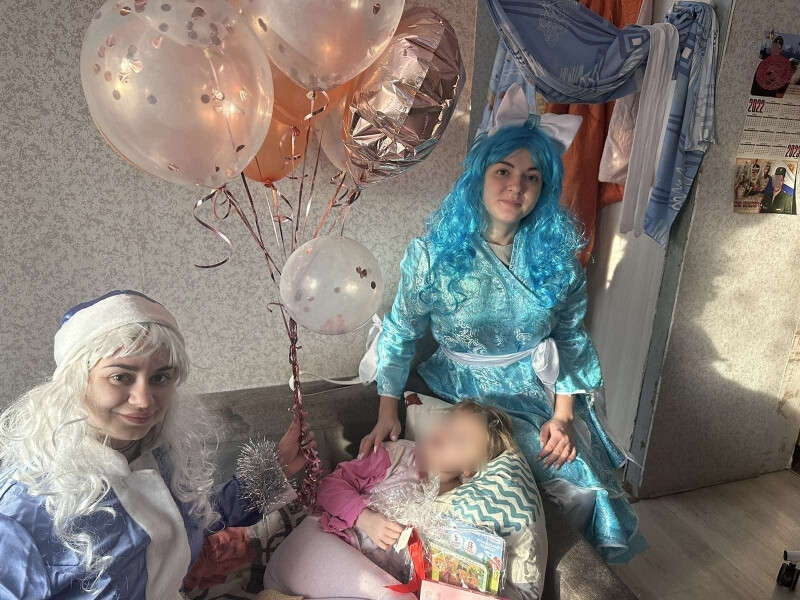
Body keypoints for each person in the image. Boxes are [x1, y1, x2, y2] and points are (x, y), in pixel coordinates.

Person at [358, 84, 646, 563]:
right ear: (479, 176)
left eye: (532, 177)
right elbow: (400, 332)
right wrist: (387, 410)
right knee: (522, 466)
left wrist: (563, 416)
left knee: (580, 474)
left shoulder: (559, 262)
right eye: (504, 171)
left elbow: (570, 339)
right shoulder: (430, 255)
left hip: (535, 390)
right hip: (461, 391)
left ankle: (569, 571)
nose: (517, 186)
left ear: (544, 190)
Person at [0, 290, 314, 599]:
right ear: (77, 380)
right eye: (121, 377)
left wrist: (277, 468)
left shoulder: (157, 452)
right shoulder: (25, 509)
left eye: (160, 378)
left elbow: (196, 515)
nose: (144, 400)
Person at [264, 400, 545, 599]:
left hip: (348, 584)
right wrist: (364, 518)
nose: (445, 434)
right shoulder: (395, 455)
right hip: (314, 545)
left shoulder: (459, 506)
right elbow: (327, 488)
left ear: (470, 469)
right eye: (448, 422)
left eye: (459, 439)